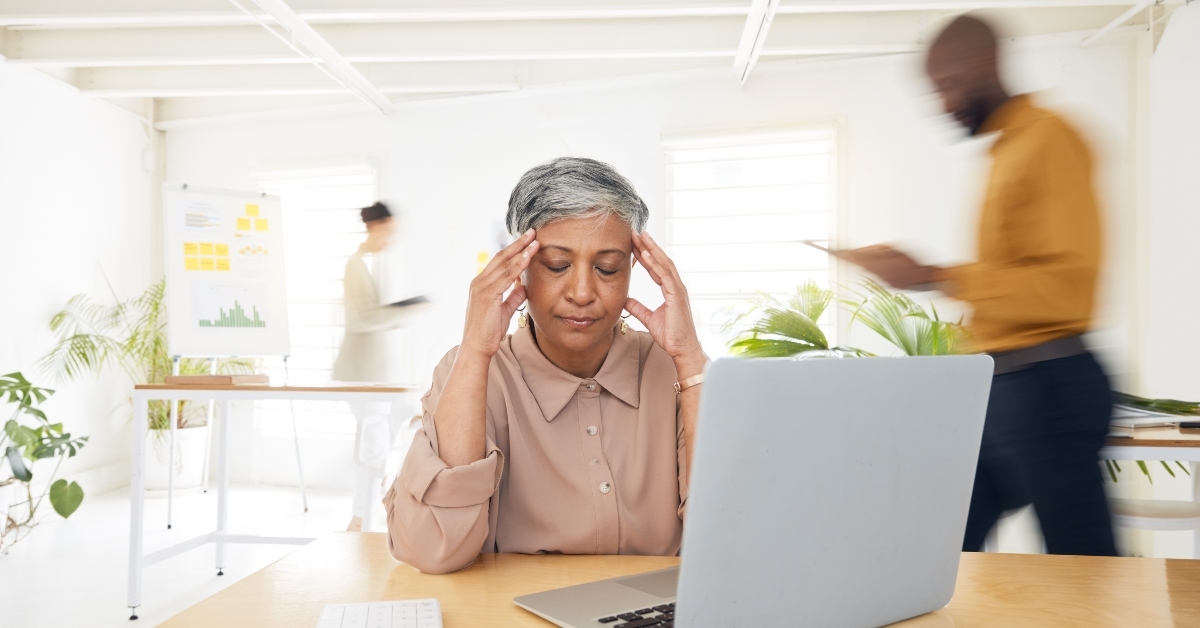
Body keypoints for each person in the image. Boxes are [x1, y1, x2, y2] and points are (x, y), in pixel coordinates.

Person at [841, 16, 1117, 556]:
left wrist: (934, 276)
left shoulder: (1050, 140)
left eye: (947, 83)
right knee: (940, 549)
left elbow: (1066, 291)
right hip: (1003, 390)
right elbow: (1008, 290)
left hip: (1050, 385)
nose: (942, 104)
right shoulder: (1003, 152)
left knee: (1085, 567)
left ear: (983, 64)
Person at [383, 157, 708, 574]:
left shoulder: (676, 369)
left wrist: (689, 356)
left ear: (633, 268)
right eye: (557, 265)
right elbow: (434, 550)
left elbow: (729, 534)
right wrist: (476, 353)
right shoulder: (472, 372)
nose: (582, 292)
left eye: (607, 268)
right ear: (519, 268)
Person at [333, 202, 424, 532]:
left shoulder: (379, 264)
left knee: (412, 424)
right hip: (361, 375)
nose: (391, 238)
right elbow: (361, 319)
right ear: (374, 227)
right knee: (373, 445)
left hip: (385, 375)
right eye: (387, 231)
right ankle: (359, 518)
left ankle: (387, 493)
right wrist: (404, 311)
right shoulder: (356, 265)